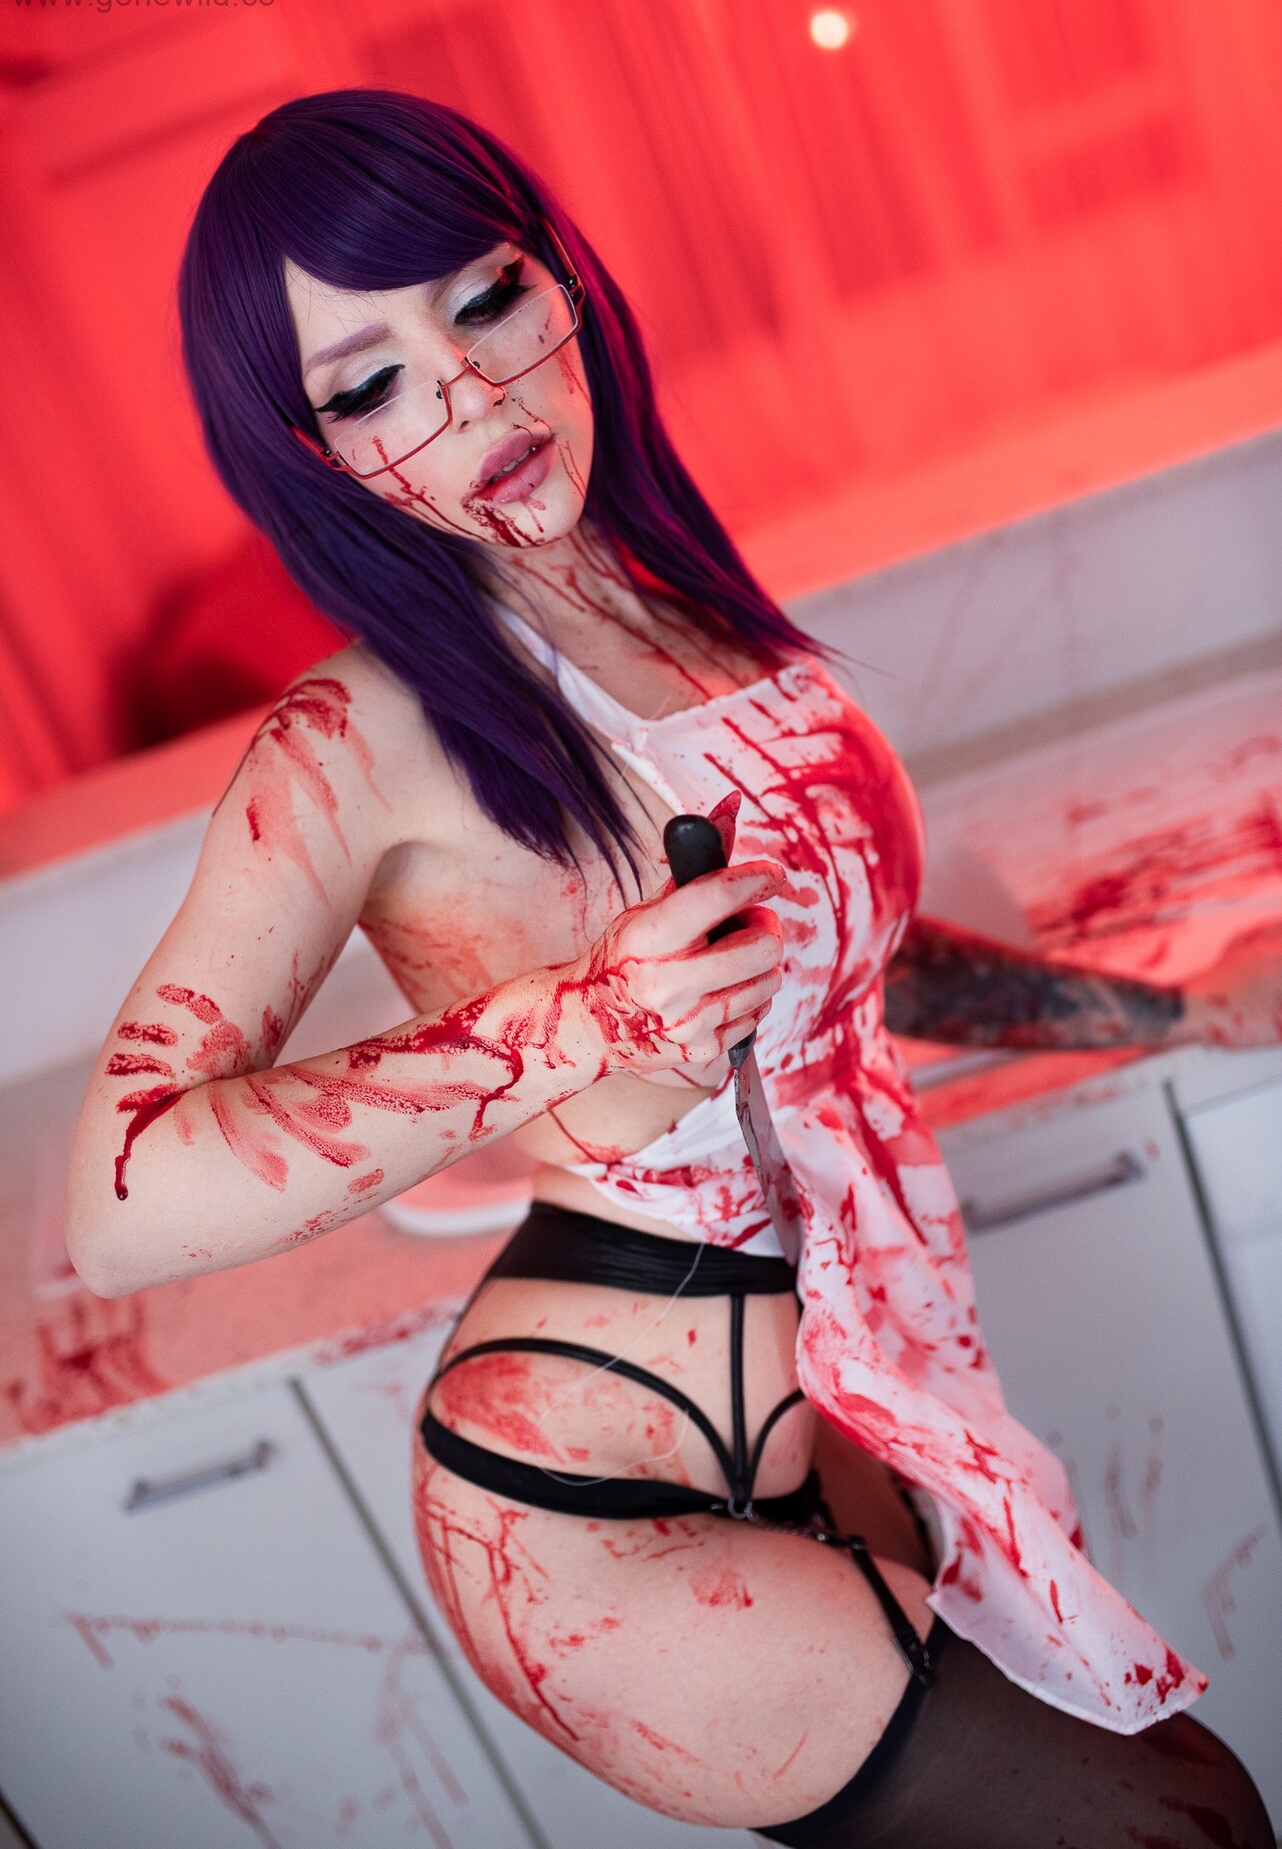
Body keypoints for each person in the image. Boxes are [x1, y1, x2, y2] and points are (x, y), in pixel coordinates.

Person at [66, 89, 1278, 1844]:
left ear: (560, 279)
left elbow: (836, 973)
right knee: (1187, 1821)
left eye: (483, 300)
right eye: (368, 385)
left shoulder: (675, 602)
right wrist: (579, 1021)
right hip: (592, 1501)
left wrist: (1179, 1013)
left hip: (846, 1389)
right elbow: (120, 1200)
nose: (468, 394)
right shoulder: (357, 736)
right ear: (308, 453)